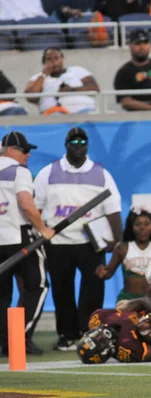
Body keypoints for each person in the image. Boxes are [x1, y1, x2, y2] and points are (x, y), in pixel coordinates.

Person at [34, 127, 123, 351]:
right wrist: (41, 232)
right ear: (65, 144)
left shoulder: (101, 173)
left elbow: (113, 209)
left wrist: (117, 240)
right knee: (62, 291)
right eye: (73, 141)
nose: (77, 145)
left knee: (93, 289)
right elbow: (36, 208)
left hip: (91, 243)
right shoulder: (48, 172)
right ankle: (67, 334)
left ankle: (88, 331)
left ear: (87, 145)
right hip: (58, 242)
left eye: (82, 142)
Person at [0, 132, 55, 356]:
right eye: (24, 150)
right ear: (11, 150)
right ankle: (19, 337)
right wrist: (43, 229)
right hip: (19, 237)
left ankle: (4, 340)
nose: (28, 154)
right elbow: (26, 202)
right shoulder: (18, 171)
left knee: (2, 294)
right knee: (38, 285)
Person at [95, 207, 151, 304]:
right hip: (128, 299)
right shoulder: (121, 248)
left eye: (146, 224)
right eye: (137, 224)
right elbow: (109, 273)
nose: (142, 228)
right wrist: (102, 273)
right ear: (131, 226)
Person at [78, 309, 151, 363]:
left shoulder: (98, 318)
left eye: (94, 335)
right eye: (99, 341)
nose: (100, 335)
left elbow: (142, 301)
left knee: (123, 304)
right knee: (145, 330)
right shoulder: (127, 350)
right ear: (105, 352)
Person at [25, 47, 100, 115]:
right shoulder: (37, 77)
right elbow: (30, 97)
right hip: (54, 115)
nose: (54, 62)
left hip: (84, 111)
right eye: (49, 59)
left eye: (56, 58)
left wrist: (72, 90)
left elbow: (94, 88)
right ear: (44, 63)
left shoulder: (77, 70)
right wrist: (44, 74)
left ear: (62, 59)